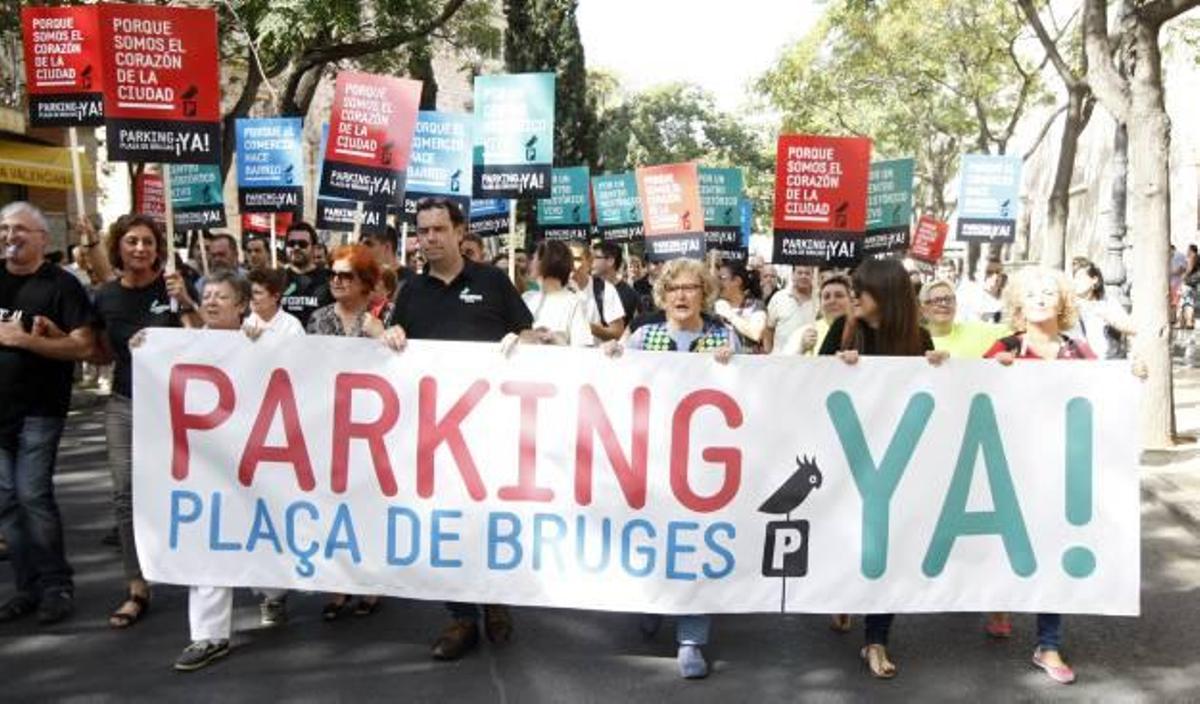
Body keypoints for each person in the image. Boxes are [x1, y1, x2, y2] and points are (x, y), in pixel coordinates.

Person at [382, 197, 532, 661]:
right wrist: (388, 337)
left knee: (488, 519)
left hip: (490, 429)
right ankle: (462, 616)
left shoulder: (492, 281)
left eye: (438, 229)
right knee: (444, 523)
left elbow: (529, 333)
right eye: (422, 231)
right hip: (434, 433)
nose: (429, 239)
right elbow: (391, 343)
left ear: (459, 231)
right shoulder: (410, 290)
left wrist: (519, 339)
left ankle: (496, 599)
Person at [603, 257, 738, 679]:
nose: (682, 295)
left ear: (704, 294)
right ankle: (654, 603)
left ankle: (692, 638)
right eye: (674, 288)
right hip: (653, 461)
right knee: (654, 540)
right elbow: (616, 385)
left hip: (704, 468)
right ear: (662, 295)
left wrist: (737, 362)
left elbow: (753, 389)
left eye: (691, 288)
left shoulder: (723, 336)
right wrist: (610, 356)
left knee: (694, 545)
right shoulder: (644, 337)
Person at [981, 267, 1111, 685]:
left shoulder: (1078, 350)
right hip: (1009, 468)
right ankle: (1000, 597)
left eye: (1049, 292)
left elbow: (1106, 395)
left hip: (1059, 472)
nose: (1040, 298)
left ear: (1062, 301)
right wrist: (993, 372)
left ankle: (1048, 643)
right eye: (1032, 293)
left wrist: (1134, 377)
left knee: (1053, 548)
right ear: (1019, 303)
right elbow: (968, 399)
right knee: (1008, 542)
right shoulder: (1003, 346)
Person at [819, 257, 946, 679]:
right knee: (847, 539)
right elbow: (808, 384)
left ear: (885, 295)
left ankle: (877, 639)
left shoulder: (920, 339)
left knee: (889, 550)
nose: (853, 297)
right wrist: (837, 366)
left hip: (897, 464)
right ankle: (840, 594)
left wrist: (943, 368)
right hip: (847, 459)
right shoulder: (843, 329)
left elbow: (942, 399)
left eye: (861, 290)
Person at [170, 270, 290, 671]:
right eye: (206, 295)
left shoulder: (261, 342)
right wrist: (144, 347)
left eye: (222, 296)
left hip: (259, 463)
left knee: (262, 537)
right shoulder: (181, 345)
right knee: (209, 540)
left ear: (242, 305)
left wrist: (264, 349)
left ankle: (273, 592)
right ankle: (208, 635)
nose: (211, 301)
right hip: (205, 464)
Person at [89, 214, 201, 629]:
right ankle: (137, 585)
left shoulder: (173, 287)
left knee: (184, 488)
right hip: (124, 402)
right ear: (119, 246)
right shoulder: (104, 297)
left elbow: (203, 341)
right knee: (124, 494)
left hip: (173, 406)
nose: (140, 249)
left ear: (159, 249)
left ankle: (195, 570)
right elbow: (99, 350)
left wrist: (187, 302)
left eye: (148, 243)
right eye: (132, 241)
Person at [0, 202, 96, 625]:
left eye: (20, 229)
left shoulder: (61, 286)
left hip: (41, 410)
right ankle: (27, 587)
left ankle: (56, 585)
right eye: (4, 229)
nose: (10, 236)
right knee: (6, 502)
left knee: (32, 495)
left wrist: (27, 343)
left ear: (42, 238)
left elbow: (85, 347)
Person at [523, 240, 592, 346]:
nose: (529, 263)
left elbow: (582, 347)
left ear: (546, 261)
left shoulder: (574, 302)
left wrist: (556, 340)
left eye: (534, 258)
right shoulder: (527, 298)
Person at [919, 279, 1008, 358]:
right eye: (937, 300)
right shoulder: (916, 343)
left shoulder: (976, 330)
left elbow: (1016, 330)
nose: (944, 304)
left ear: (956, 304)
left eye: (949, 299)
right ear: (924, 310)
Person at [1070, 262, 1135, 360]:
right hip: (1079, 364)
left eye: (1080, 277)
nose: (1075, 282)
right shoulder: (1070, 305)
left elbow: (1131, 328)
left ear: (1094, 280)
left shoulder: (1108, 303)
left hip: (1108, 363)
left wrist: (1111, 319)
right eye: (1074, 278)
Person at [780, 274, 852, 356]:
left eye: (839, 295)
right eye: (826, 297)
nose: (832, 301)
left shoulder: (860, 330)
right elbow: (785, 364)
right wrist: (801, 348)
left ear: (851, 300)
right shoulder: (805, 332)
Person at [568, 241, 625, 342]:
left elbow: (618, 333)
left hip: (595, 356)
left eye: (577, 259)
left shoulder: (605, 289)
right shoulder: (557, 288)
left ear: (589, 262)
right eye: (568, 259)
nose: (571, 264)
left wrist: (592, 328)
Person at [279, 222, 332, 329]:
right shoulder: (275, 279)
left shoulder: (330, 279)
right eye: (291, 243)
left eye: (302, 244)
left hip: (317, 343)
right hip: (283, 343)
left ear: (314, 248)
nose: (296, 247)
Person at [714, 262, 766, 353]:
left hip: (748, 364)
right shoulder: (715, 306)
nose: (718, 283)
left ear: (737, 281)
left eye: (722, 278)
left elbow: (756, 334)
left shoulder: (756, 305)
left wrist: (729, 314)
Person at [764, 265, 817, 354]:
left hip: (810, 362)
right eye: (799, 273)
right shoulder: (778, 298)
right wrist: (769, 355)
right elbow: (769, 330)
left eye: (807, 273)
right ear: (792, 275)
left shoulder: (819, 299)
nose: (803, 276)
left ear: (812, 276)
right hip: (781, 360)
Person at [244, 268, 305, 338]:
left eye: (257, 293)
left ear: (275, 297)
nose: (251, 297)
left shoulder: (292, 326)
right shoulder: (246, 324)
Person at [592, 241, 640, 321]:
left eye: (595, 257)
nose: (590, 261)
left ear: (610, 261)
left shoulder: (630, 294)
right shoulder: (587, 286)